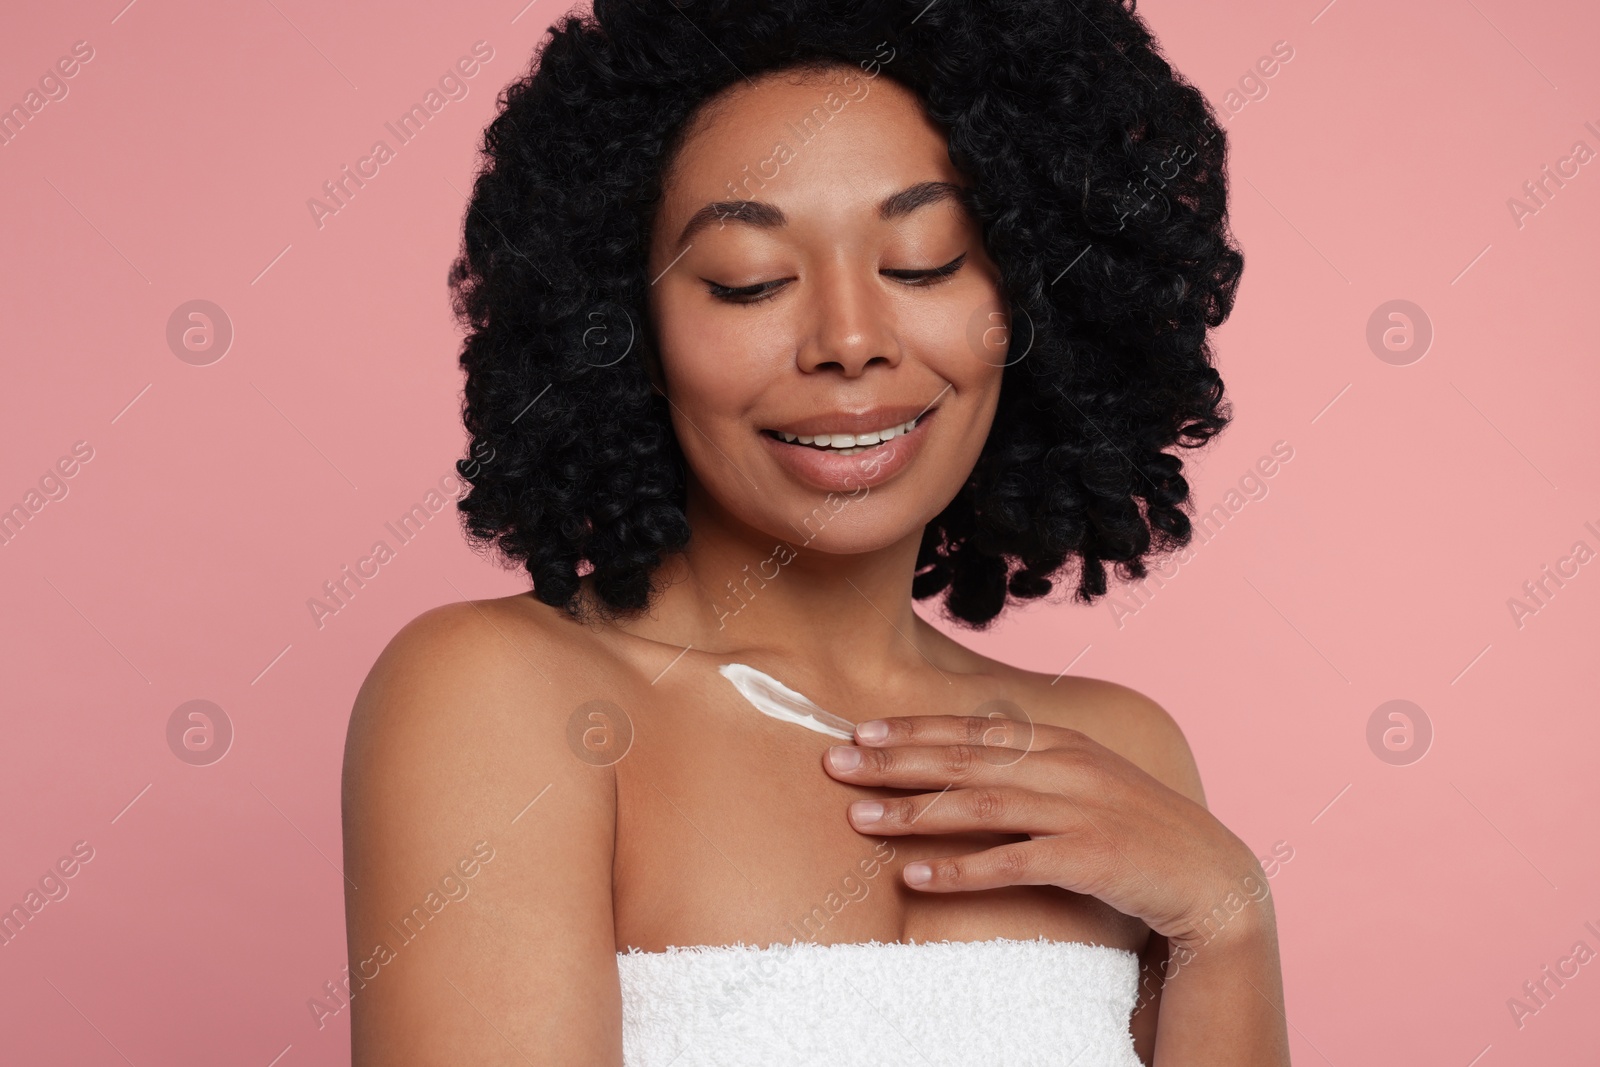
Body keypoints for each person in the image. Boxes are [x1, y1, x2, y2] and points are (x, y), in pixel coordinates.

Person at [341, 0, 1290, 1062]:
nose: (849, 340)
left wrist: (1227, 915)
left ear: (1028, 300)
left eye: (925, 261)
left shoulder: (1121, 751)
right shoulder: (498, 693)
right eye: (749, 280)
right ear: (629, 331)